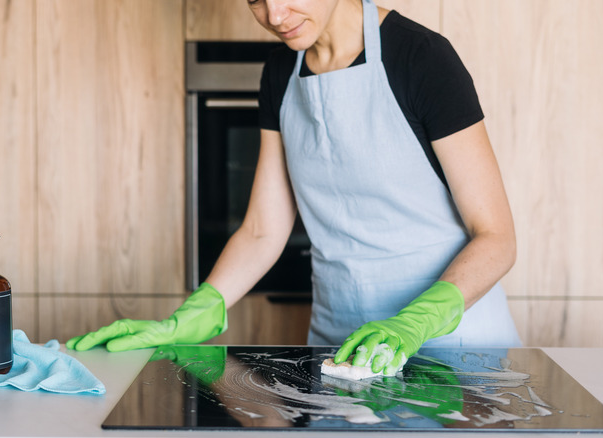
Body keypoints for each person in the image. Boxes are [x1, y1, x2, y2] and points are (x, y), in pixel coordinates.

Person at [66, 0, 522, 376]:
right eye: (254, 1)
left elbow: (496, 237)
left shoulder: (421, 57)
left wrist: (416, 323)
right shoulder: (280, 70)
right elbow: (264, 228)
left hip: (451, 347)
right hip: (339, 349)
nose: (275, 16)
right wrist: (199, 309)